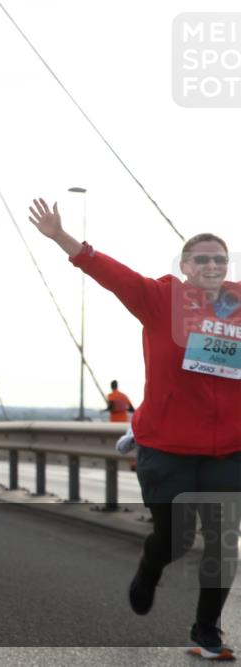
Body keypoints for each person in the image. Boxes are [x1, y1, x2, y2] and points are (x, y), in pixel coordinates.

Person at [29, 197, 240, 660]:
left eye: (219, 259)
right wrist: (63, 238)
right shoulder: (160, 296)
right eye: (200, 257)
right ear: (185, 265)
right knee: (175, 539)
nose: (210, 264)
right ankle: (150, 567)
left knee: (224, 544)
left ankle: (206, 632)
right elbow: (111, 273)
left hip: (229, 449)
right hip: (166, 447)